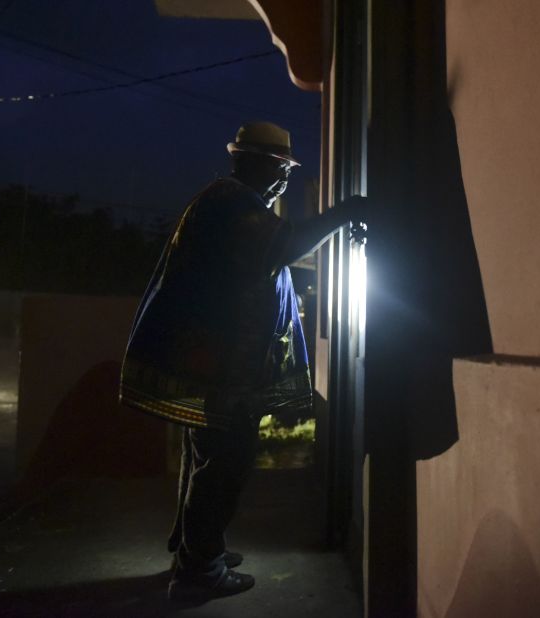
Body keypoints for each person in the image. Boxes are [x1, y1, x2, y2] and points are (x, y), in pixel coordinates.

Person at [120, 121, 365, 601]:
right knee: (225, 464)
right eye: (281, 169)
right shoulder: (233, 204)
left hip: (215, 365)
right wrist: (349, 211)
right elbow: (287, 245)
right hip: (221, 371)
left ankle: (197, 549)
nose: (284, 180)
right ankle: (199, 572)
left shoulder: (227, 201)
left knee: (208, 459)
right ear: (253, 162)